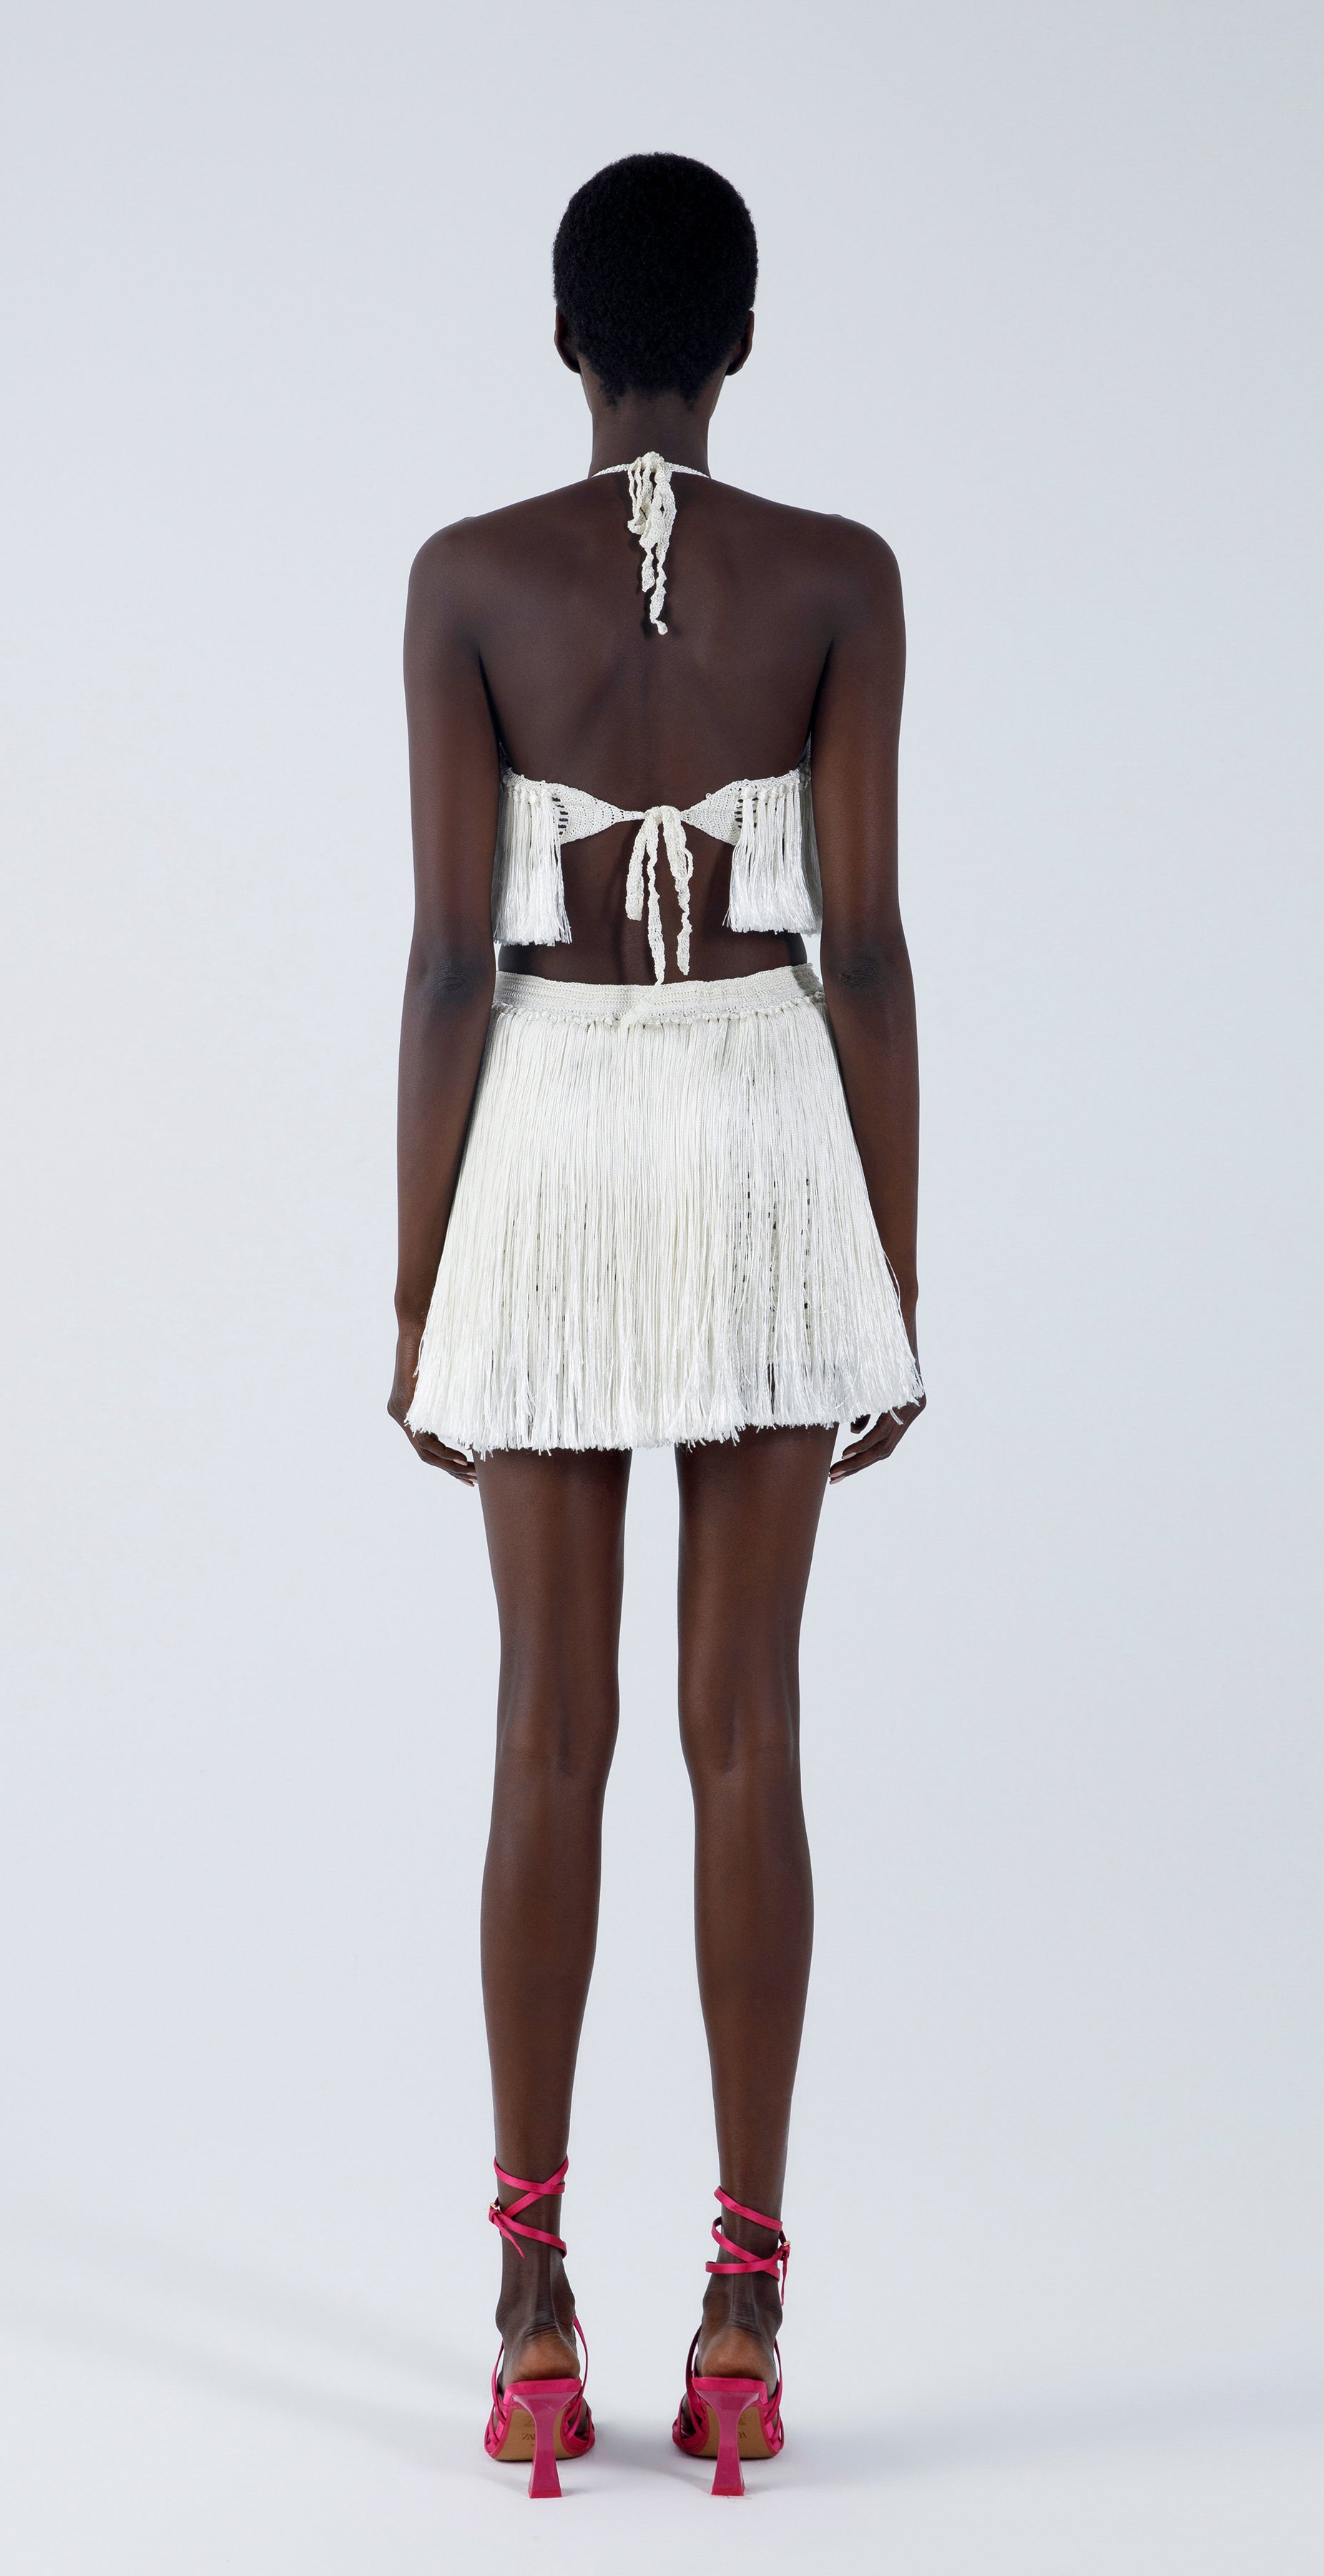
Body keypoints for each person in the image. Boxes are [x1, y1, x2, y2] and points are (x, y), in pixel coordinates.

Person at [389, 152, 924, 2501]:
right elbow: (865, 946)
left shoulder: (465, 579)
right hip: (763, 1134)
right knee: (748, 1733)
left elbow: (448, 961)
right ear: (741, 341)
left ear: (560, 335)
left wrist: (419, 1282)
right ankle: (744, 2312)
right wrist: (892, 1268)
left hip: (548, 1136)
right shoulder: (840, 578)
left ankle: (528, 2317)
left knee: (545, 1730)